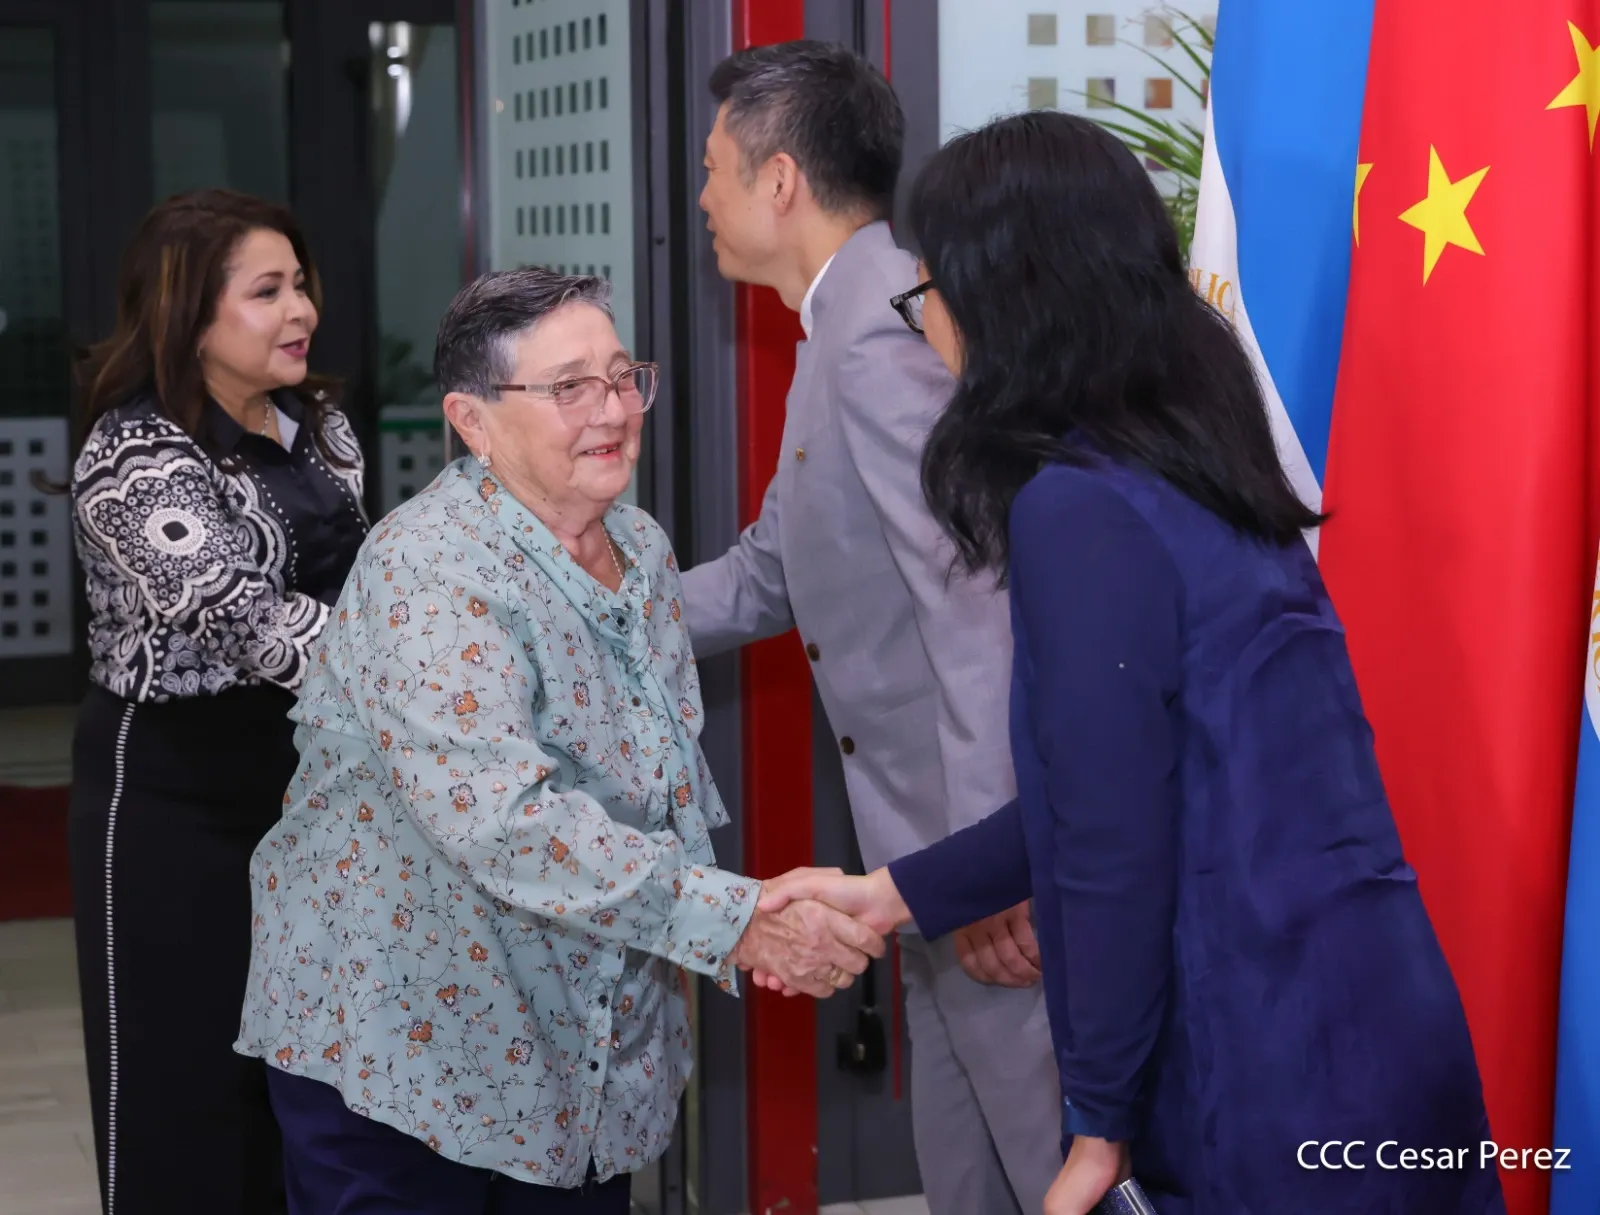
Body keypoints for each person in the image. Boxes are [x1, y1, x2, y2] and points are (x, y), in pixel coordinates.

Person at [758, 111, 1506, 1215]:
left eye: (930, 297)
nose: (930, 333)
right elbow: (1110, 779)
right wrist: (886, 896)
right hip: (1373, 1014)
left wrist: (1096, 1130)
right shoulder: (1201, 458)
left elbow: (1112, 842)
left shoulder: (1080, 510)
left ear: (1006, 299)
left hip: (1254, 1055)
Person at [234, 268, 885, 1215]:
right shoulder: (429, 568)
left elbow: (661, 785)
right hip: (400, 1050)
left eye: (624, 377)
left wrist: (735, 919)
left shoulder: (642, 547)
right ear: (473, 419)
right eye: (569, 387)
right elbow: (503, 818)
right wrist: (736, 919)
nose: (613, 410)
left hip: (574, 1053)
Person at [682, 42, 1062, 1215]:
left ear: (778, 179)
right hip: (927, 857)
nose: (699, 199)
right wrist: (564, 610)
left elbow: (979, 600)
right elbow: (770, 573)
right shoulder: (836, 326)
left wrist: (997, 866)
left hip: (971, 863)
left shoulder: (881, 337)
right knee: (968, 1172)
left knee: (1051, 1164)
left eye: (711, 170)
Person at [67, 188, 369, 1214]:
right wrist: (429, 669)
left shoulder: (318, 427)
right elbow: (243, 619)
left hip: (302, 780)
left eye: (302, 287)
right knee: (177, 1080)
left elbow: (355, 584)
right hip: (168, 797)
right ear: (190, 312)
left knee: (291, 1070)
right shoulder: (132, 455)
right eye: (268, 291)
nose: (302, 311)